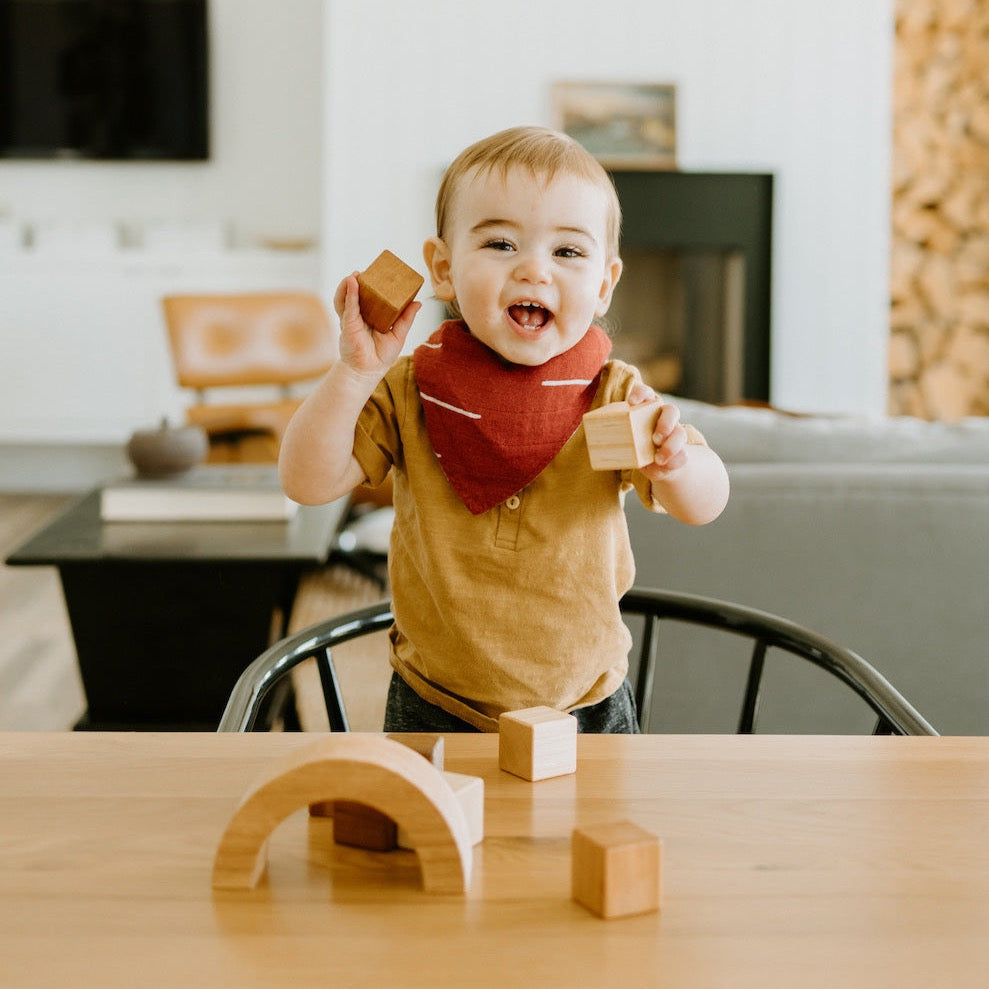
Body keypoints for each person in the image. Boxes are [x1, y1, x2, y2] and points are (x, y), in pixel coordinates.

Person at [279, 125, 730, 734]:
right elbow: (306, 482)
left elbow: (707, 504)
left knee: (590, 831)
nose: (534, 271)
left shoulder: (613, 391)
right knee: (440, 833)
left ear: (603, 286)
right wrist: (355, 371)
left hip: (587, 704)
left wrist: (676, 466)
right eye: (500, 243)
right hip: (434, 701)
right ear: (442, 269)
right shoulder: (409, 388)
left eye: (567, 252)